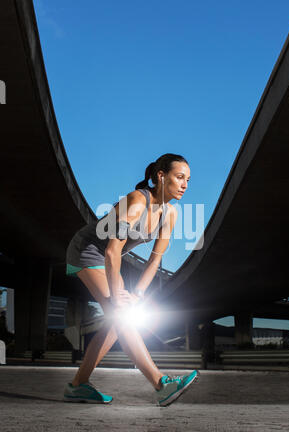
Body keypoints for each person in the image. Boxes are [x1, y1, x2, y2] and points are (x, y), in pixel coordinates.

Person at [63, 153, 197, 406]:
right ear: (161, 176)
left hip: (106, 258)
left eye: (188, 180)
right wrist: (117, 295)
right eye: (179, 177)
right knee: (120, 314)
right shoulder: (137, 201)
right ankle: (161, 384)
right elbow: (113, 251)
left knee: (115, 323)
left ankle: (78, 385)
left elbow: (155, 261)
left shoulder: (170, 214)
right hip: (87, 251)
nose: (184, 185)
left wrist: (138, 294)